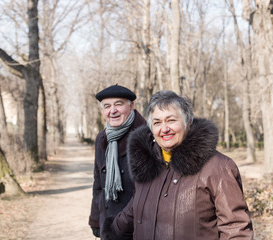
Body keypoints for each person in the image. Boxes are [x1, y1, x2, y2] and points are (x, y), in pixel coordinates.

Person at [102, 90, 253, 239]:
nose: (164, 129)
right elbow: (136, 206)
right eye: (157, 122)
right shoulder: (146, 164)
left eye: (171, 120)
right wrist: (113, 230)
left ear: (188, 122)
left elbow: (236, 229)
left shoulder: (218, 167)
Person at [88, 84, 147, 238]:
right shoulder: (102, 138)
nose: (112, 111)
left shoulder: (146, 138)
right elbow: (98, 184)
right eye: (107, 106)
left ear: (131, 106)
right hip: (108, 226)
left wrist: (119, 226)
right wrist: (96, 220)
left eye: (118, 104)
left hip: (137, 228)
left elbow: (146, 194)